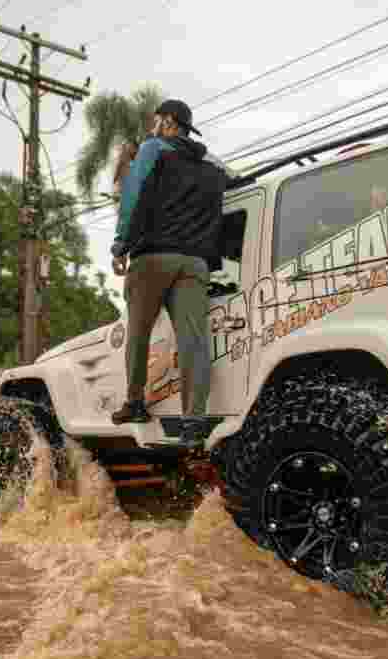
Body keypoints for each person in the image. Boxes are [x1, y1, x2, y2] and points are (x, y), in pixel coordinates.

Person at [109, 99, 229, 448]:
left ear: (169, 123)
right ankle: (194, 421)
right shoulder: (211, 163)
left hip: (153, 258)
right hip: (195, 262)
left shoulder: (153, 150)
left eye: (157, 120)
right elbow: (233, 179)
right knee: (194, 340)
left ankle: (134, 403)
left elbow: (132, 194)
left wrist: (120, 245)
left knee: (139, 333)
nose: (153, 126)